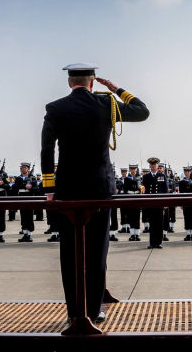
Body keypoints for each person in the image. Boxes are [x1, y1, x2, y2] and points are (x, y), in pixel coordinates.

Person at [40, 63, 149, 325]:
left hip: (67, 190)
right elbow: (143, 112)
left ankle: (74, 310)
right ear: (92, 83)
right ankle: (93, 309)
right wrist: (116, 89)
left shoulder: (55, 108)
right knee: (97, 251)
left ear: (70, 83)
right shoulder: (107, 105)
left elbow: (46, 151)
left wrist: (49, 189)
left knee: (70, 252)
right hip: (100, 189)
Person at [143, 157, 168, 247]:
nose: (153, 166)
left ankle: (158, 242)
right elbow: (145, 191)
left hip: (159, 202)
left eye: (155, 164)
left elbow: (165, 191)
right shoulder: (146, 177)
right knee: (152, 223)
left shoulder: (162, 176)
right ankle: (152, 243)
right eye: (151, 164)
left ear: (158, 166)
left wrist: (165, 203)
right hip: (150, 203)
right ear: (150, 166)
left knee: (159, 223)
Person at [11, 162, 38, 242]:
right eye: (22, 168)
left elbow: (36, 189)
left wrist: (30, 188)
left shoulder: (32, 178)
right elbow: (15, 189)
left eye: (25, 168)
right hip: (22, 199)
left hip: (30, 199)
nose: (23, 169)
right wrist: (24, 186)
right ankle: (25, 234)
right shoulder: (19, 178)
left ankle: (29, 235)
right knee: (23, 217)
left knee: (29, 217)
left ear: (28, 169)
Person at [178, 166, 192, 241]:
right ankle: (188, 234)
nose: (187, 173)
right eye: (186, 172)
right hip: (186, 202)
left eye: (188, 171)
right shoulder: (181, 182)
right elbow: (180, 193)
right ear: (184, 172)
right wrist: (181, 203)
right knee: (187, 218)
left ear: (190, 172)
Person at [124, 164, 142, 241]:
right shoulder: (127, 179)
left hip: (137, 198)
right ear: (129, 170)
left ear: (136, 169)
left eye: (134, 169)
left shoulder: (139, 178)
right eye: (131, 169)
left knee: (137, 217)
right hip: (130, 197)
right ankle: (132, 234)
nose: (133, 170)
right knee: (131, 217)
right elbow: (125, 190)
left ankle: (137, 234)